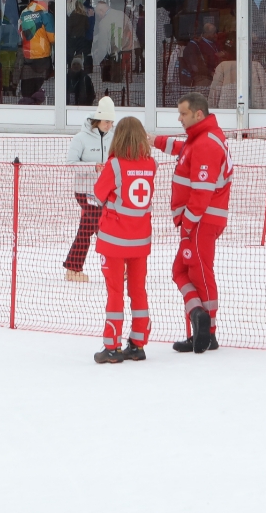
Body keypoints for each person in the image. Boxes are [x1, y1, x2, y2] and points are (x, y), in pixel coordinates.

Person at [153, 91, 232, 354]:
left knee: (199, 273)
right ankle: (199, 317)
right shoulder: (199, 139)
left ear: (199, 114)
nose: (179, 118)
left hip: (201, 220)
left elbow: (201, 192)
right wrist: (154, 141)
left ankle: (207, 332)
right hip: (198, 220)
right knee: (181, 270)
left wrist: (187, 224)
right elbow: (183, 150)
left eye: (183, 114)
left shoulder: (206, 143)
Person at [92, 114, 157, 363]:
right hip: (140, 241)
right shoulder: (151, 165)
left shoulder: (115, 165)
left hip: (114, 241)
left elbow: (98, 195)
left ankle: (112, 346)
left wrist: (104, 172)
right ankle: (138, 343)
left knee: (115, 292)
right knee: (138, 290)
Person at [64, 97, 116, 281]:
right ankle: (117, 265)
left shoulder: (114, 137)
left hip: (105, 192)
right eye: (106, 121)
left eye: (111, 122)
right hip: (85, 192)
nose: (109, 125)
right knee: (100, 226)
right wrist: (93, 166)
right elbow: (70, 164)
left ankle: (73, 268)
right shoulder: (80, 138)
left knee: (86, 228)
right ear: (97, 119)